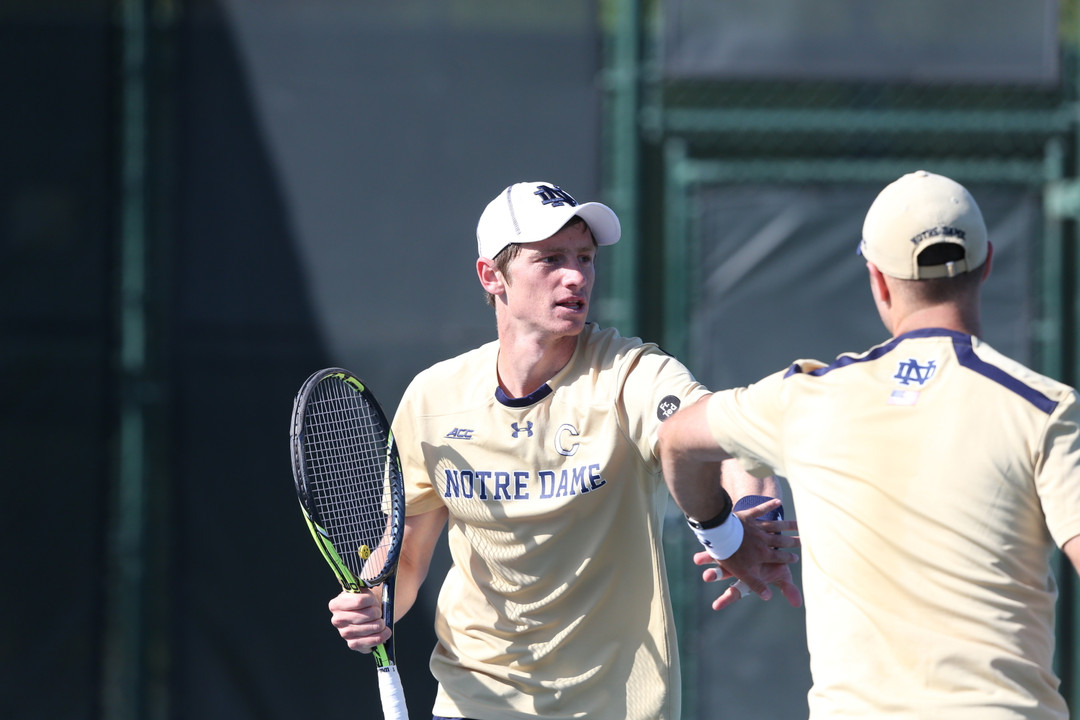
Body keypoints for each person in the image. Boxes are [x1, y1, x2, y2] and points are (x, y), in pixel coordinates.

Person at [328, 181, 800, 720]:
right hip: (474, 699)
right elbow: (407, 554)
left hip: (614, 707)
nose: (575, 276)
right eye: (550, 259)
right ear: (491, 276)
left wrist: (741, 521)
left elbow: (724, 435)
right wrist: (374, 601)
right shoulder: (434, 398)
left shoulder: (631, 375)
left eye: (585, 258)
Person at [658, 169, 1080, 719]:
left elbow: (677, 440)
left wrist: (725, 533)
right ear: (988, 264)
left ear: (877, 279)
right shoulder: (1044, 408)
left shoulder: (803, 398)